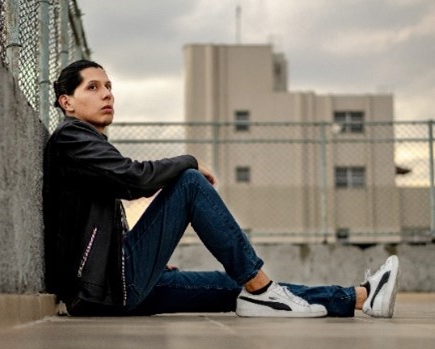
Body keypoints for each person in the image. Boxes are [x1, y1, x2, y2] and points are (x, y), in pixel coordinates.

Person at [43, 59, 400, 318]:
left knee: (233, 288)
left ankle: (359, 297)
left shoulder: (84, 143)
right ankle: (262, 285)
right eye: (93, 87)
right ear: (67, 102)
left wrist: (149, 258)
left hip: (110, 286)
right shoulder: (72, 137)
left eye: (109, 87)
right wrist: (189, 160)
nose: (107, 95)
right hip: (102, 290)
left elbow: (91, 226)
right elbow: (135, 179)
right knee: (189, 183)